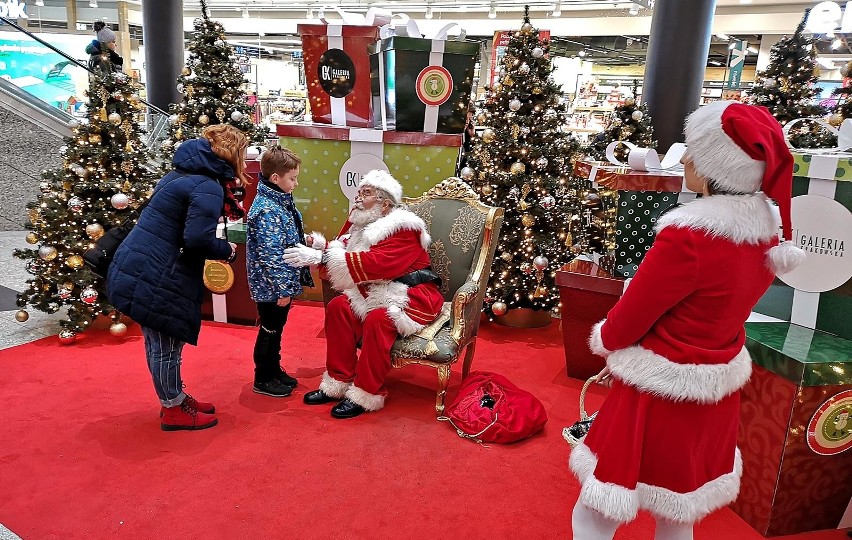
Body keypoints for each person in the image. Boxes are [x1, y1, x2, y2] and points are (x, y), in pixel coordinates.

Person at [568, 101, 806, 539]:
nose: (688, 158)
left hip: (656, 391)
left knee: (596, 512)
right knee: (678, 514)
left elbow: (629, 319)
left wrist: (607, 338)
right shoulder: (766, 234)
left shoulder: (690, 237)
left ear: (720, 168)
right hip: (713, 391)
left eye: (697, 151)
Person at [108, 124, 246, 431]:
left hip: (143, 263)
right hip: (160, 271)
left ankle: (175, 396)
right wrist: (227, 250)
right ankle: (172, 408)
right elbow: (197, 238)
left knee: (158, 340)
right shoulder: (207, 185)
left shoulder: (183, 172)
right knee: (166, 343)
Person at [283, 170, 444, 419]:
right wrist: (320, 246)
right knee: (339, 307)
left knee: (379, 319)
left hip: (408, 293)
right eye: (359, 192)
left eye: (365, 193)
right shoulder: (364, 222)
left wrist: (321, 257)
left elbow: (376, 263)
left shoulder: (404, 229)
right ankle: (338, 381)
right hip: (374, 289)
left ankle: (367, 392)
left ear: (385, 203)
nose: (358, 197)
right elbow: (345, 249)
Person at [245, 146, 313, 398]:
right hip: (270, 285)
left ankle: (273, 369)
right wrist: (282, 289)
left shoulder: (278, 201)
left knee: (277, 327)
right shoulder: (266, 209)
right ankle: (263, 376)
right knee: (270, 328)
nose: (296, 183)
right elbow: (270, 254)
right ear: (276, 178)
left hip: (278, 281)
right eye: (292, 178)